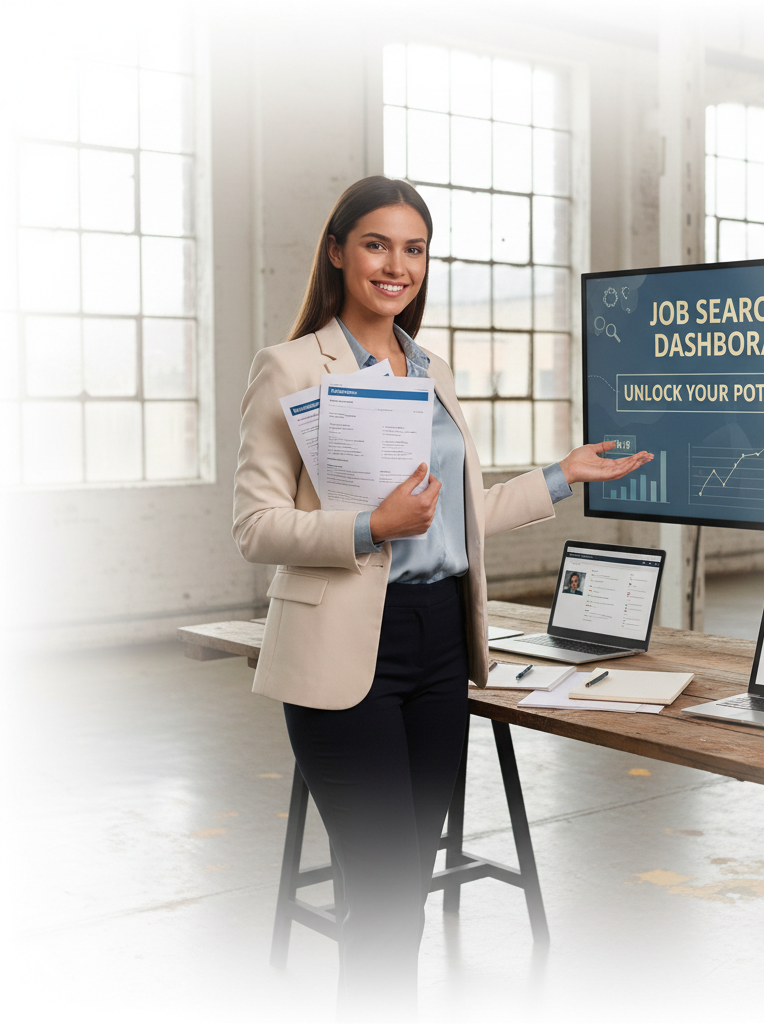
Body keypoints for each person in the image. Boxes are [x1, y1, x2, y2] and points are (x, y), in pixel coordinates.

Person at [232, 176, 652, 1020]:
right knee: (383, 892)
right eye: (377, 245)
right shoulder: (289, 366)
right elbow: (255, 526)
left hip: (440, 644)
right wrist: (367, 525)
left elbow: (459, 517)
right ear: (337, 251)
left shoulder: (432, 369)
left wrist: (561, 475)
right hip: (348, 647)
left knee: (404, 888)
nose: (397, 265)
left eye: (414, 248)